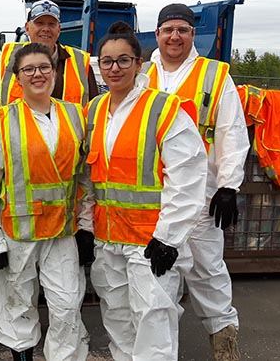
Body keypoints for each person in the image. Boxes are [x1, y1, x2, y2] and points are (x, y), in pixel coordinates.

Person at [80, 22, 207, 360]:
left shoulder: (164, 108)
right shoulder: (94, 112)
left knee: (153, 326)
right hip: (108, 240)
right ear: (99, 67)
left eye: (123, 60)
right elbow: (89, 180)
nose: (115, 68)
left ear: (139, 64)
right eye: (107, 62)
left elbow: (189, 176)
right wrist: (86, 227)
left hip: (150, 243)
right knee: (118, 322)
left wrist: (169, 237)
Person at [143, 4, 250, 360]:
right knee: (160, 274)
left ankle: (224, 343)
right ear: (157, 34)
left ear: (194, 35)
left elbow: (231, 130)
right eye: (168, 29)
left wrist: (229, 185)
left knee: (208, 270)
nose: (175, 36)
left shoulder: (215, 76)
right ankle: (162, 350)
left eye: (183, 30)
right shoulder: (143, 74)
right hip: (155, 194)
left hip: (203, 194)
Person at [0, 43, 90, 361]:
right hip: (18, 232)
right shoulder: (4, 120)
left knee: (67, 304)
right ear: (17, 78)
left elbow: (85, 178)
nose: (38, 74)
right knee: (17, 302)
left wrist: (87, 227)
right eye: (29, 69)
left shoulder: (74, 115)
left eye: (44, 67)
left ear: (54, 72)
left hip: (62, 232)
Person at [0, 0, 99, 106]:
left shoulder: (80, 63)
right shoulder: (8, 59)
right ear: (27, 28)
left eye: (51, 24)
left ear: (59, 29)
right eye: (39, 23)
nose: (46, 29)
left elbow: (94, 110)